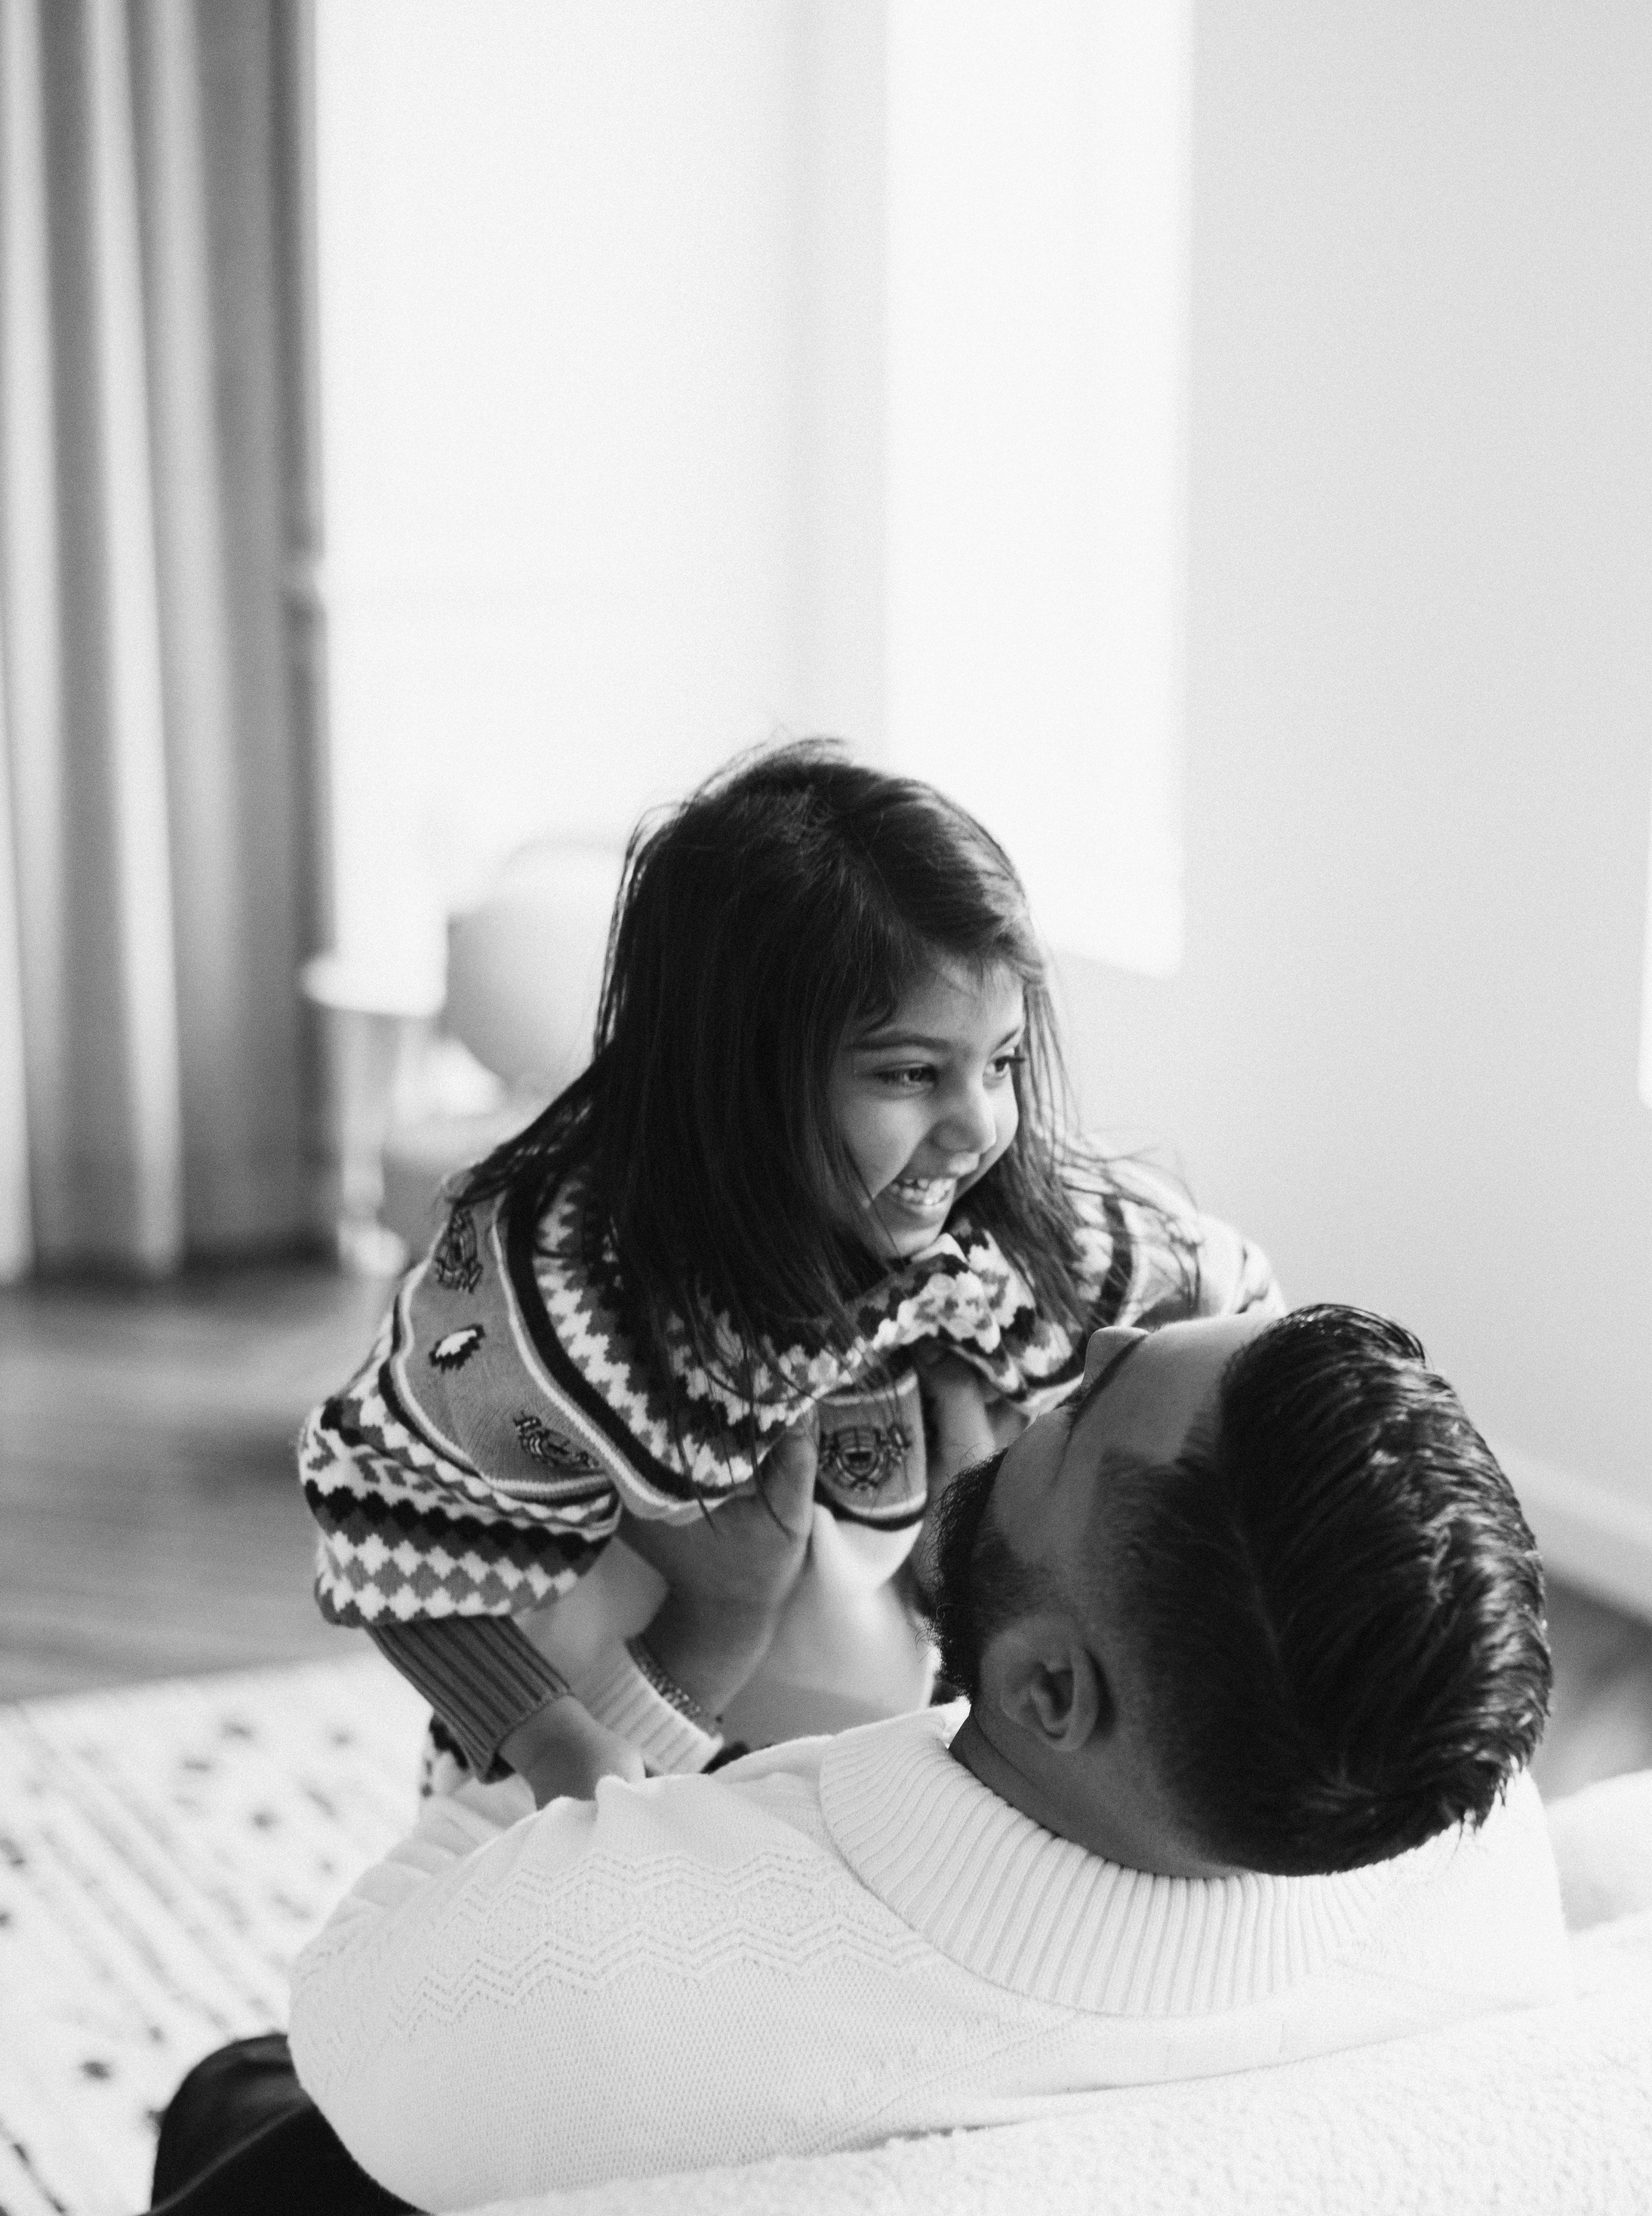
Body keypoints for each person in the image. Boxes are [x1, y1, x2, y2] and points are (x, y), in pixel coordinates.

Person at [90, 1302, 1567, 2216]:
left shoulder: (612, 1963)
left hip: (394, 2194)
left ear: (1051, 1691)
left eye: (1068, 1412)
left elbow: (356, 2000)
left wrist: (690, 1664)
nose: (1018, 1404)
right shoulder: (1465, 1832)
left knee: (236, 2094)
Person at [296, 742, 1278, 1811]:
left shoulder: (1014, 1242)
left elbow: (1232, 1321)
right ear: (739, 1071)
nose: (979, 1126)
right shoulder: (555, 1295)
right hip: (607, 1763)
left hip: (887, 1783)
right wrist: (550, 1742)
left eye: (1000, 1063)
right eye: (909, 1074)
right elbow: (398, 1523)